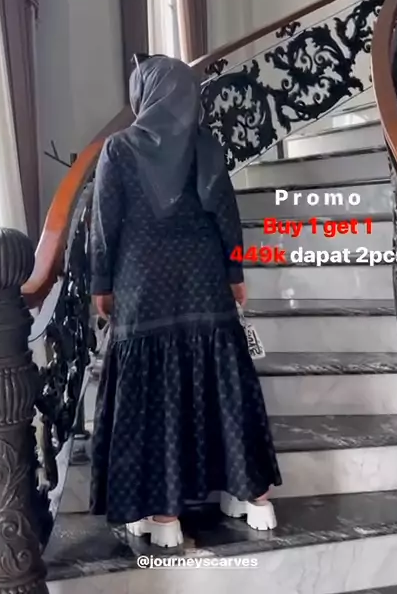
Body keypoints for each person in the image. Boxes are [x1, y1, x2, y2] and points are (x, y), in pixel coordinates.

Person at [89, 54, 281, 547]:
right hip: (204, 278)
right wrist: (235, 272)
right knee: (224, 382)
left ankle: (163, 514)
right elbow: (225, 213)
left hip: (142, 283)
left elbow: (104, 226)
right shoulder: (205, 146)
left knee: (153, 391)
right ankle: (253, 495)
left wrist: (100, 284)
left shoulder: (118, 148)